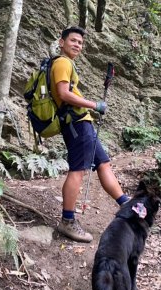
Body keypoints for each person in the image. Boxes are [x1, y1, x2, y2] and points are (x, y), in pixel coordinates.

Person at [50, 26, 129, 243]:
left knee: (103, 164)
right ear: (61, 42)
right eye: (73, 40)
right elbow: (64, 94)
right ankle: (67, 220)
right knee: (78, 171)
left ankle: (126, 205)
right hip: (76, 124)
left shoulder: (67, 63)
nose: (77, 44)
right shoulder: (62, 62)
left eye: (80, 42)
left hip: (82, 123)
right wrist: (95, 104)